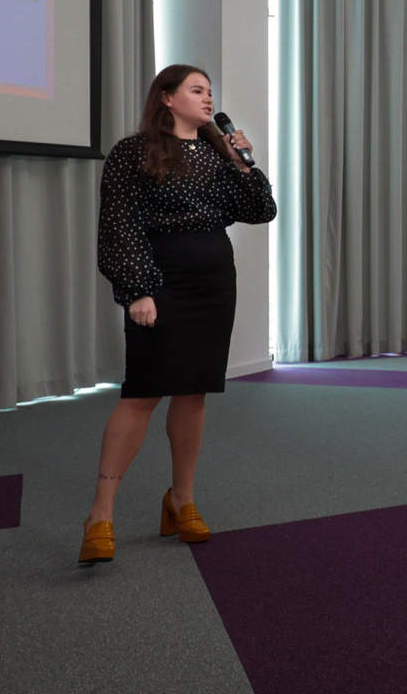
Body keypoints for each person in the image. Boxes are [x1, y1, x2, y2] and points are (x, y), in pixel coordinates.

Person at [81, 65, 276, 566]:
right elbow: (118, 223)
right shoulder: (132, 152)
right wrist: (138, 291)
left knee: (193, 391)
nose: (208, 99)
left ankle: (181, 500)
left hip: (213, 281)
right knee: (142, 393)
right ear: (166, 98)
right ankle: (100, 513)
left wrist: (241, 162)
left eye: (210, 92)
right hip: (160, 279)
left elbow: (261, 211)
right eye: (196, 90)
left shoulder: (218, 153)